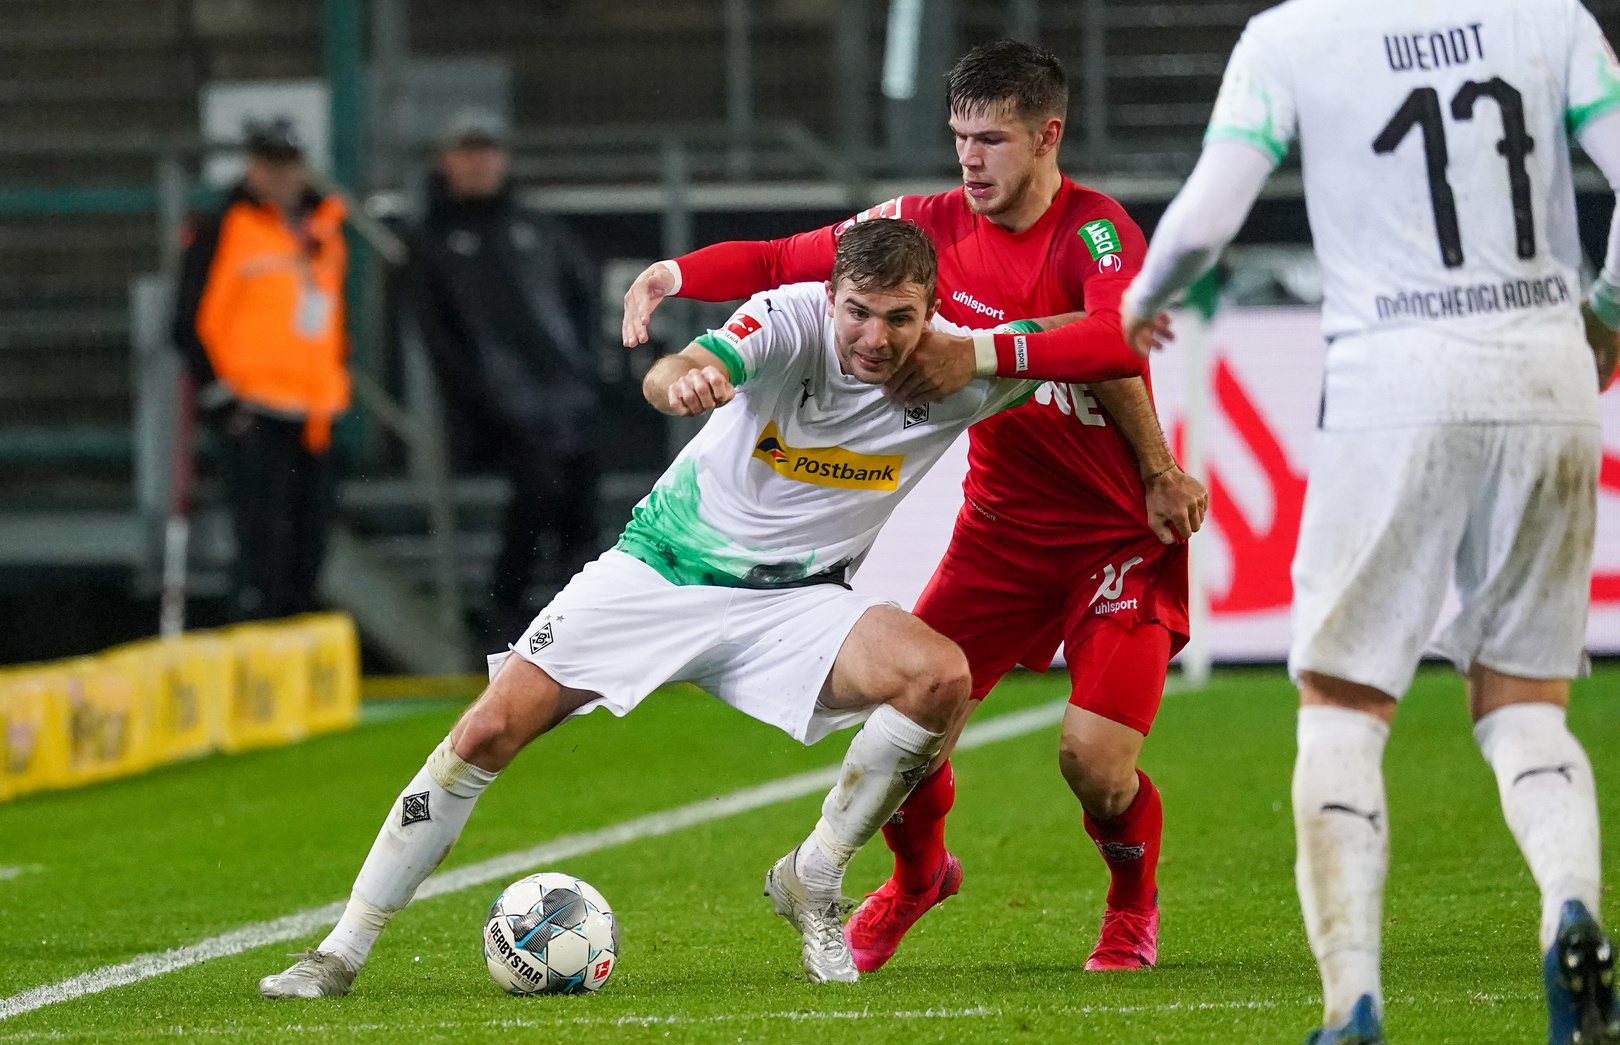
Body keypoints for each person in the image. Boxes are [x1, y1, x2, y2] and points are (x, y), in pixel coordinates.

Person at [256, 219, 1144, 999]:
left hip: (798, 604)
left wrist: (1148, 455)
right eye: (859, 312)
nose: (875, 337)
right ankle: (340, 951)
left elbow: (1102, 342)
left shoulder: (963, 367)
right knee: (487, 733)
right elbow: (692, 363)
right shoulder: (792, 320)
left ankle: (815, 877)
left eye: (900, 317)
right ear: (830, 298)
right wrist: (680, 380)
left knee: (938, 677)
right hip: (661, 575)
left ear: (931, 311)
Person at [621, 39, 1205, 974]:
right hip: (1001, 536)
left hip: (1116, 540)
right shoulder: (925, 226)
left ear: (1049, 134)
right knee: (911, 724)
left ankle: (1132, 903)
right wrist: (677, 274)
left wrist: (991, 363)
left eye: (993, 140)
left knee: (1094, 764)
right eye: (960, 138)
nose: (970, 159)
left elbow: (1115, 339)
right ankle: (918, 878)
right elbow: (783, 255)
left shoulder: (1095, 231)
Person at [1121, 2, 1620, 1045]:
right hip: (1550, 373)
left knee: (1344, 705)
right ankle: (1572, 911)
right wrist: (1610, 310)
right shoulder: (1549, 18)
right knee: (1526, 703)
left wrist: (1139, 302)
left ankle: (1352, 1007)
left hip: (1394, 380)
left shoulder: (1291, 38)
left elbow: (1208, 218)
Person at [399, 111, 601, 642]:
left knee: (579, 504)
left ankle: (579, 617)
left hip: (563, 400)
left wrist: (582, 375)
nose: (479, 162)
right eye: (467, 151)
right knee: (536, 492)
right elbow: (440, 336)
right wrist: (481, 397)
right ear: (445, 161)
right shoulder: (432, 239)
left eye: (488, 150)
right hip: (493, 411)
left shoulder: (538, 229)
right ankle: (505, 611)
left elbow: (581, 301)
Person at [173, 118, 349, 620]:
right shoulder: (222, 226)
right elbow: (187, 322)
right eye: (269, 163)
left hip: (313, 413)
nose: (281, 175)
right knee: (261, 546)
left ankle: (295, 656)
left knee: (309, 547)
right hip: (253, 411)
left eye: (289, 163)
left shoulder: (322, 227)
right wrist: (221, 401)